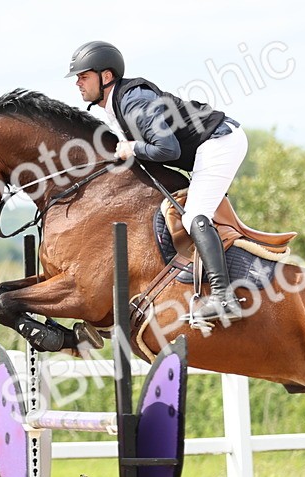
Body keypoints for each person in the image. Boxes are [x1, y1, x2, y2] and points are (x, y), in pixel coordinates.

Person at [66, 40, 247, 326]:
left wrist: (132, 149)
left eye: (83, 76)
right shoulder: (117, 105)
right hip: (206, 147)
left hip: (220, 142)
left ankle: (224, 296)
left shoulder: (134, 102)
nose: (78, 83)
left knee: (194, 216)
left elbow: (168, 150)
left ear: (106, 77)